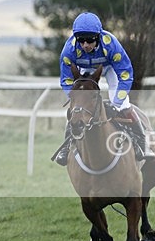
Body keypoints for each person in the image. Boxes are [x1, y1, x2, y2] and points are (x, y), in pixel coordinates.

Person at [54, 11, 141, 166]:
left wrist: (117, 102)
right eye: (81, 40)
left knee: (124, 105)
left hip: (109, 68)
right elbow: (66, 80)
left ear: (98, 37)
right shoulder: (69, 50)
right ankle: (66, 148)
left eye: (90, 40)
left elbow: (126, 75)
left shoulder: (111, 44)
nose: (85, 45)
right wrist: (77, 100)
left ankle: (142, 143)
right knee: (75, 111)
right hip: (83, 72)